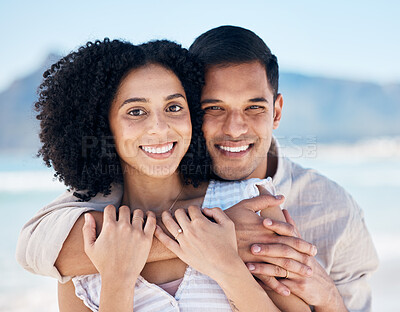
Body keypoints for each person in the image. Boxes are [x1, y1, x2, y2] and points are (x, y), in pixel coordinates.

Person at [16, 26, 379, 311]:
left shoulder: (259, 205)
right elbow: (34, 245)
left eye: (173, 107)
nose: (159, 127)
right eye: (136, 112)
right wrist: (118, 279)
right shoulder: (87, 244)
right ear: (101, 125)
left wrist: (227, 265)